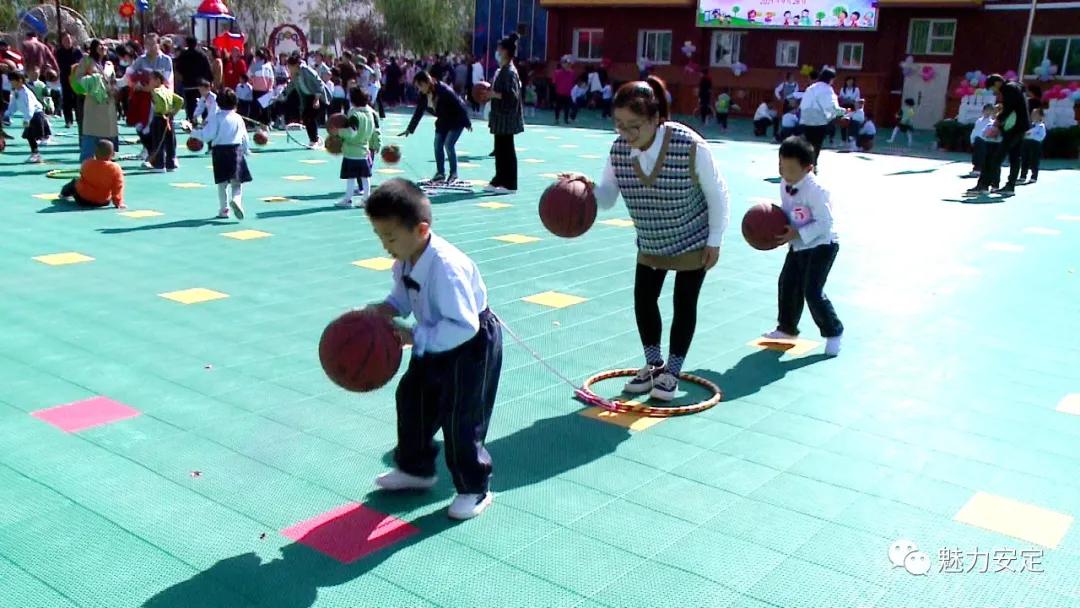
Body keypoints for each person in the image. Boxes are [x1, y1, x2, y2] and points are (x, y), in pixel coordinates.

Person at [558, 77, 730, 400]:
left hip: (692, 237)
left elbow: (718, 194)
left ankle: (673, 372)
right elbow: (608, 197)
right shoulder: (620, 150)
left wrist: (715, 239)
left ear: (655, 119)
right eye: (619, 125)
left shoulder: (690, 146)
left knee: (684, 303)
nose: (625, 134)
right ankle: (654, 366)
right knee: (643, 300)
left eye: (634, 126)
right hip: (651, 239)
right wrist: (586, 188)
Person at [363, 178, 503, 521]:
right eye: (380, 237)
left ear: (422, 229)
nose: (386, 245)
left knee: (462, 417)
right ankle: (415, 469)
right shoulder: (406, 257)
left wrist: (414, 337)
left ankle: (474, 488)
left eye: (391, 237)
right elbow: (402, 294)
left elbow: (463, 325)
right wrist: (387, 309)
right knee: (413, 399)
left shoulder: (446, 267)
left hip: (470, 344)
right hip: (434, 338)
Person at [764, 137, 843, 357]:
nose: (783, 171)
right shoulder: (784, 182)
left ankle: (833, 331)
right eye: (780, 165)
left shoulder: (817, 190)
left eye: (790, 168)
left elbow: (825, 223)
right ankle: (787, 329)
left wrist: (797, 232)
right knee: (787, 284)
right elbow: (789, 211)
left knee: (812, 291)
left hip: (822, 245)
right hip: (798, 245)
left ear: (808, 168)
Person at [401, 70, 471, 184]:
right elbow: (419, 111)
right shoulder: (423, 95)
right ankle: (440, 174)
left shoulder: (444, 90)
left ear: (427, 82)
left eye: (420, 85)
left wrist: (467, 122)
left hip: (456, 120)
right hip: (443, 121)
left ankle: (454, 174)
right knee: (437, 145)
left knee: (448, 145)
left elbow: (459, 104)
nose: (419, 89)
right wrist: (410, 128)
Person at [968, 74, 1031, 196]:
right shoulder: (1015, 85)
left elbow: (1009, 108)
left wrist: (997, 121)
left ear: (997, 83)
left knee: (996, 157)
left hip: (1013, 128)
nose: (994, 92)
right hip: (1022, 126)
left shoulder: (1008, 89)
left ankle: (984, 185)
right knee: (1015, 157)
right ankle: (1010, 186)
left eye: (992, 88)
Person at [199, 88, 250, 219]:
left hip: (219, 151)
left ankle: (224, 209)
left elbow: (207, 136)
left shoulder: (216, 118)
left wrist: (195, 133)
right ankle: (237, 200)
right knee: (237, 182)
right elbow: (244, 137)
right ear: (235, 103)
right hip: (236, 151)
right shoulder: (238, 118)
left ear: (219, 103)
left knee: (222, 184)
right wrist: (246, 149)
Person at [486, 33, 525, 194]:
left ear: (504, 51)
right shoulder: (502, 70)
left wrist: (493, 94)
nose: (496, 52)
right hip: (500, 118)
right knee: (500, 149)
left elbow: (512, 95)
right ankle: (499, 179)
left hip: (507, 118)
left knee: (507, 150)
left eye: (499, 49)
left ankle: (510, 184)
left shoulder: (509, 71)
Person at [334, 87, 381, 208]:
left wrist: (339, 132)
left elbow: (351, 133)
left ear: (353, 101)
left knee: (351, 177)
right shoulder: (370, 114)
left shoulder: (354, 115)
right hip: (364, 151)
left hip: (351, 151)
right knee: (365, 177)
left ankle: (348, 200)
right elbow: (374, 132)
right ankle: (366, 199)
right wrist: (376, 144)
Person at [58, 139, 125, 208]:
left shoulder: (87, 163)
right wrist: (118, 202)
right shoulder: (116, 168)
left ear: (94, 153)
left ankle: (63, 194)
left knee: (75, 181)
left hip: (82, 199)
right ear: (113, 154)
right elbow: (117, 186)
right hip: (102, 202)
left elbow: (82, 176)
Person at [798, 67, 841, 169]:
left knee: (807, 144)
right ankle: (813, 165)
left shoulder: (811, 87)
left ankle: (803, 165)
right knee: (816, 144)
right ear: (831, 79)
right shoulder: (827, 89)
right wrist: (843, 112)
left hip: (806, 119)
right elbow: (831, 107)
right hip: (818, 121)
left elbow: (803, 104)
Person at [3, 71, 51, 163]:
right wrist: (8, 114)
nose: (11, 83)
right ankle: (36, 153)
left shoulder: (26, 93)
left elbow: (30, 107)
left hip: (36, 115)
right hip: (30, 116)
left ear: (20, 81)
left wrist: (27, 119)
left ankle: (37, 152)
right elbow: (14, 104)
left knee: (32, 136)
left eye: (12, 81)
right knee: (30, 136)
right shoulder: (16, 91)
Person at [281, 56, 327, 147]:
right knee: (306, 117)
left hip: (317, 95)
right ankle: (314, 138)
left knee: (310, 117)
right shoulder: (294, 74)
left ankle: (314, 141)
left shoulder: (306, 70)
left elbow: (319, 83)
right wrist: (282, 95)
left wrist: (317, 100)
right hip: (307, 97)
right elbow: (291, 86)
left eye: (290, 67)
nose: (289, 69)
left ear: (296, 65)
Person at [147, 70, 183, 172]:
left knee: (158, 141)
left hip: (159, 117)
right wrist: (173, 112)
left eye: (151, 80)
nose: (149, 82)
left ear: (158, 80)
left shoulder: (155, 91)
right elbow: (180, 100)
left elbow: (160, 102)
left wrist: (161, 109)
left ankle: (159, 165)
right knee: (170, 141)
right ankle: (170, 164)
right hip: (168, 118)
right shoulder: (168, 90)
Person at [174, 37, 213, 122]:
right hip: (201, 84)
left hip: (188, 83)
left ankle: (191, 119)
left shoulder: (183, 55)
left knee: (190, 103)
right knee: (204, 102)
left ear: (187, 43)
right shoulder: (202, 55)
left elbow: (177, 67)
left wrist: (183, 76)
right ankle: (205, 119)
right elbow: (208, 68)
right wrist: (210, 80)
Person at [55, 33, 83, 129]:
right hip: (65, 78)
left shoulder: (77, 51)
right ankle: (68, 120)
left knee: (77, 99)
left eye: (69, 39)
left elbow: (81, 63)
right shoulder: (59, 52)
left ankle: (80, 119)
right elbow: (59, 65)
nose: (68, 41)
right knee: (67, 100)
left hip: (76, 78)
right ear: (62, 41)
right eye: (65, 40)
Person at [1019, 108, 1045, 185]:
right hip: (1026, 143)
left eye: (1036, 114)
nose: (1033, 116)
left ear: (1040, 116)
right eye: (1033, 114)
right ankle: (1023, 175)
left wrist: (1031, 135)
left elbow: (1041, 136)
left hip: (1035, 144)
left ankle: (1034, 176)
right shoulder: (1029, 124)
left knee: (1034, 160)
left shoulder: (1041, 126)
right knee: (1024, 159)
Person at [968, 103, 995, 177]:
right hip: (977, 140)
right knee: (975, 155)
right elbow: (975, 130)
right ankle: (975, 168)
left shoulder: (992, 122)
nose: (988, 112)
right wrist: (972, 139)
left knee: (982, 155)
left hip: (984, 141)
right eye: (986, 110)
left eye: (990, 111)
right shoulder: (979, 121)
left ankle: (979, 169)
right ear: (983, 111)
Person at [773, 72, 800, 139]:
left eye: (793, 77)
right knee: (780, 117)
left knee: (791, 117)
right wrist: (779, 98)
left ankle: (789, 132)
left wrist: (793, 101)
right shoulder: (783, 84)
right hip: (784, 103)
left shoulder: (796, 85)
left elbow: (796, 93)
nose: (793, 79)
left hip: (792, 103)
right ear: (788, 78)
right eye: (791, 77)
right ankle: (776, 133)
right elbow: (776, 90)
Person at [552, 56, 575, 124]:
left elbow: (573, 83)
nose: (567, 65)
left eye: (568, 63)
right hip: (559, 93)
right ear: (562, 64)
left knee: (567, 107)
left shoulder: (572, 73)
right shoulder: (557, 72)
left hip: (567, 93)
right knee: (558, 107)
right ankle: (557, 119)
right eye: (565, 63)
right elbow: (554, 82)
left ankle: (566, 119)